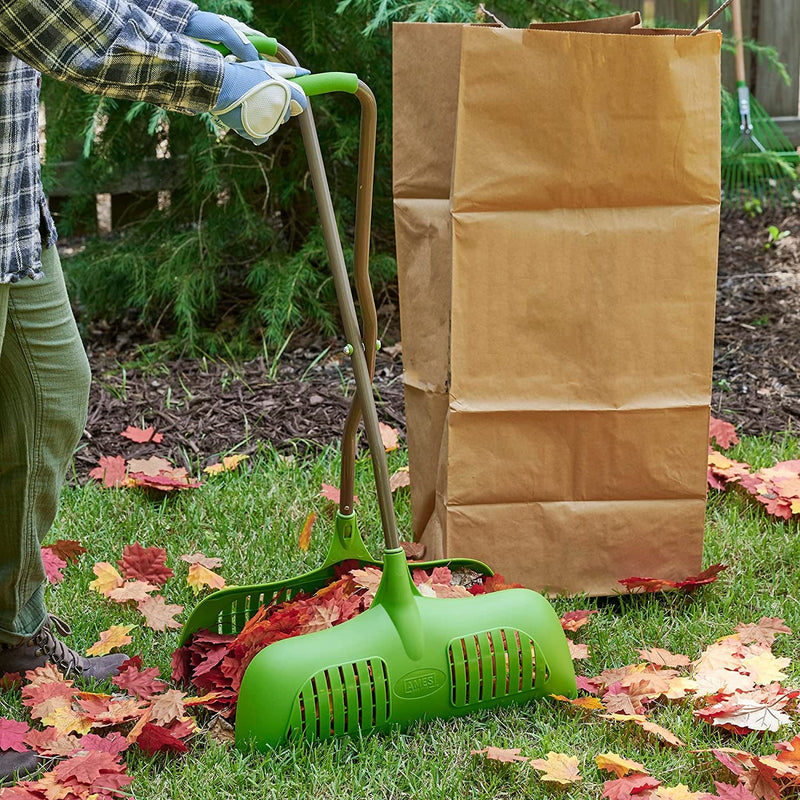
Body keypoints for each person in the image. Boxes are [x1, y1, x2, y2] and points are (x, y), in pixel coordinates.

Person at [0, 0, 307, 781]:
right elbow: (69, 32)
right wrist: (220, 83)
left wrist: (190, 18)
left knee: (50, 399)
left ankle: (14, 631)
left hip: (8, 213)